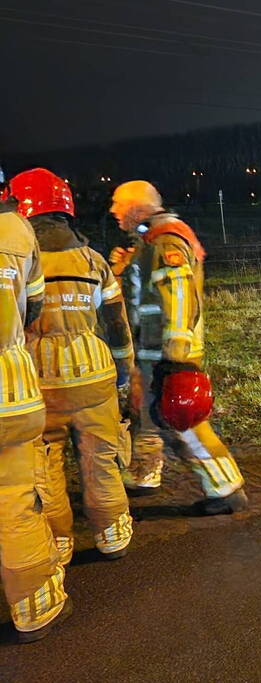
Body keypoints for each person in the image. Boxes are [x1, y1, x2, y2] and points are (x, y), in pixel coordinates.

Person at [7, 168, 134, 564]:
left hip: (40, 382)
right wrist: (125, 371)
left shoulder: (22, 258)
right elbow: (116, 324)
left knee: (45, 466)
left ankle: (58, 540)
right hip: (95, 375)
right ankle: (112, 532)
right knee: (101, 459)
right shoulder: (93, 260)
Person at [108, 180, 248, 514]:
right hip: (152, 350)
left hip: (167, 353)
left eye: (117, 204)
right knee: (147, 416)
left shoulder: (166, 238)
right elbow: (145, 294)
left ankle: (225, 487)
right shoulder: (148, 240)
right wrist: (123, 268)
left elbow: (180, 296)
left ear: (137, 207)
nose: (112, 210)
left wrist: (177, 358)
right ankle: (144, 474)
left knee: (182, 421)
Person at [0, 179, 70, 642]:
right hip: (10, 390)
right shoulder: (17, 232)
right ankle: (33, 605)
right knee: (14, 499)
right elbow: (35, 307)